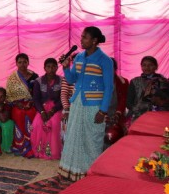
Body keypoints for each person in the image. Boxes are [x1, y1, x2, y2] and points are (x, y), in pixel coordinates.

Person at [59, 26, 114, 181]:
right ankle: (74, 172)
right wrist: (65, 68)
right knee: (75, 138)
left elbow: (109, 87)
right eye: (82, 37)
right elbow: (71, 79)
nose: (81, 40)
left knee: (92, 139)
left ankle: (92, 174)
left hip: (94, 107)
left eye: (85, 37)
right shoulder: (79, 57)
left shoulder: (105, 60)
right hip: (77, 104)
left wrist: (103, 111)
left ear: (94, 41)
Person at [5, 53, 38, 157]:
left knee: (31, 112)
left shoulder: (34, 76)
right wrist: (16, 103)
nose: (22, 64)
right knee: (19, 114)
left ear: (28, 63)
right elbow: (8, 95)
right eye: (20, 62)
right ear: (16, 63)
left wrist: (31, 102)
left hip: (31, 103)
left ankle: (32, 144)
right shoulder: (12, 78)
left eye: (25, 62)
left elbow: (37, 93)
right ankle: (20, 145)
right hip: (17, 104)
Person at [30, 58, 63, 160]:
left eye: (53, 66)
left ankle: (53, 152)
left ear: (57, 68)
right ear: (44, 68)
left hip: (56, 108)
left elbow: (63, 99)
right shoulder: (38, 81)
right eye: (48, 67)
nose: (51, 69)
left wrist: (53, 110)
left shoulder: (62, 81)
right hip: (42, 108)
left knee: (54, 124)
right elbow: (36, 99)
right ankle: (39, 151)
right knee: (36, 125)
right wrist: (42, 111)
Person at [126, 56, 166, 122]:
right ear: (141, 67)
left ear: (156, 67)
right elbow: (128, 103)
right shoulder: (135, 81)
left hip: (158, 116)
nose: (147, 67)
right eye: (144, 65)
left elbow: (166, 101)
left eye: (150, 65)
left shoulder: (163, 81)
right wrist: (138, 110)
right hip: (137, 116)